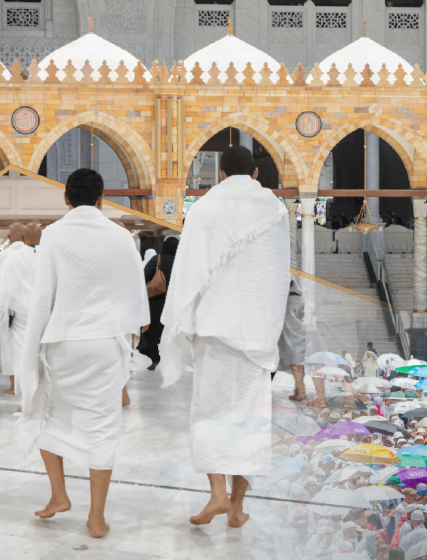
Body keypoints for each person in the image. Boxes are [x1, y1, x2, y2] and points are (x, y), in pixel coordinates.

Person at [159, 146, 290, 527]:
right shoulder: (276, 210)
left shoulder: (206, 208)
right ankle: (236, 507)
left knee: (211, 412)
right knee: (248, 418)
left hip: (216, 327)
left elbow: (190, 271)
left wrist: (179, 320)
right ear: (255, 174)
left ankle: (217, 493)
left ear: (220, 175)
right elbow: (276, 273)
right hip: (256, 331)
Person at [16, 169, 149, 538]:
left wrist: (33, 347)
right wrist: (130, 330)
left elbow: (43, 296)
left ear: (66, 199)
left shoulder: (54, 235)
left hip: (64, 342)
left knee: (44, 413)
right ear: (102, 198)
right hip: (105, 344)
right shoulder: (121, 237)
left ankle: (59, 495)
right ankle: (96, 517)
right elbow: (135, 295)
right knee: (102, 428)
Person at [0, 222, 37, 399]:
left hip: (17, 313)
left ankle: (22, 391)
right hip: (40, 313)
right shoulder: (40, 255)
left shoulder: (9, 256)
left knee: (17, 353)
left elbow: (6, 289)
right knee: (37, 355)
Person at [138, 236, 178, 370]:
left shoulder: (157, 259)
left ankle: (155, 358)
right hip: (175, 302)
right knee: (172, 331)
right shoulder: (183, 263)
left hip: (156, 301)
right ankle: (172, 360)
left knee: (153, 331)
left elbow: (144, 277)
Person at [0, 222, 26, 395]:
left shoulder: (5, 255)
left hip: (9, 309)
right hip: (31, 309)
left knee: (9, 348)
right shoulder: (35, 254)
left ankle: (13, 385)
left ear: (9, 237)